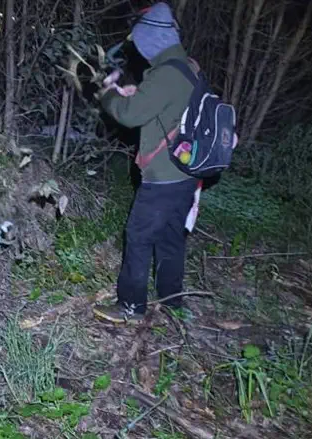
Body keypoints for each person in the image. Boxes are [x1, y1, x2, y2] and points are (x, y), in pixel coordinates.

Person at [93, 2, 202, 324]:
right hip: (186, 172)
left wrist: (109, 96)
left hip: (163, 175)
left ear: (151, 39)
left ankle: (131, 306)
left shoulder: (166, 73)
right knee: (170, 238)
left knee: (139, 237)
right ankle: (172, 301)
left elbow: (131, 115)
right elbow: (163, 106)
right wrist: (136, 92)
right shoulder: (187, 68)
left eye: (138, 40)